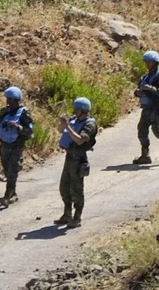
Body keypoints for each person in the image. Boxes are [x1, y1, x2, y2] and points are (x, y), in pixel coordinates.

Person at [56, 97, 97, 228]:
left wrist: (68, 126)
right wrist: (63, 123)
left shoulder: (90, 125)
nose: (75, 111)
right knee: (64, 187)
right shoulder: (74, 121)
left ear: (83, 110)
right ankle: (67, 214)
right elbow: (60, 130)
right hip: (69, 157)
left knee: (77, 189)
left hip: (79, 159)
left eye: (77, 109)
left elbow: (80, 140)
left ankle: (77, 217)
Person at [0, 86, 34, 206]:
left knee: (12, 170)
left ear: (16, 99)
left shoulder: (24, 113)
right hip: (4, 145)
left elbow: (30, 131)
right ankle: (13, 194)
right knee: (6, 170)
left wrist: (17, 127)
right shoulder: (5, 111)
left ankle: (7, 195)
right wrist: (1, 116)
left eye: (10, 99)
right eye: (7, 99)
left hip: (16, 146)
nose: (8, 101)